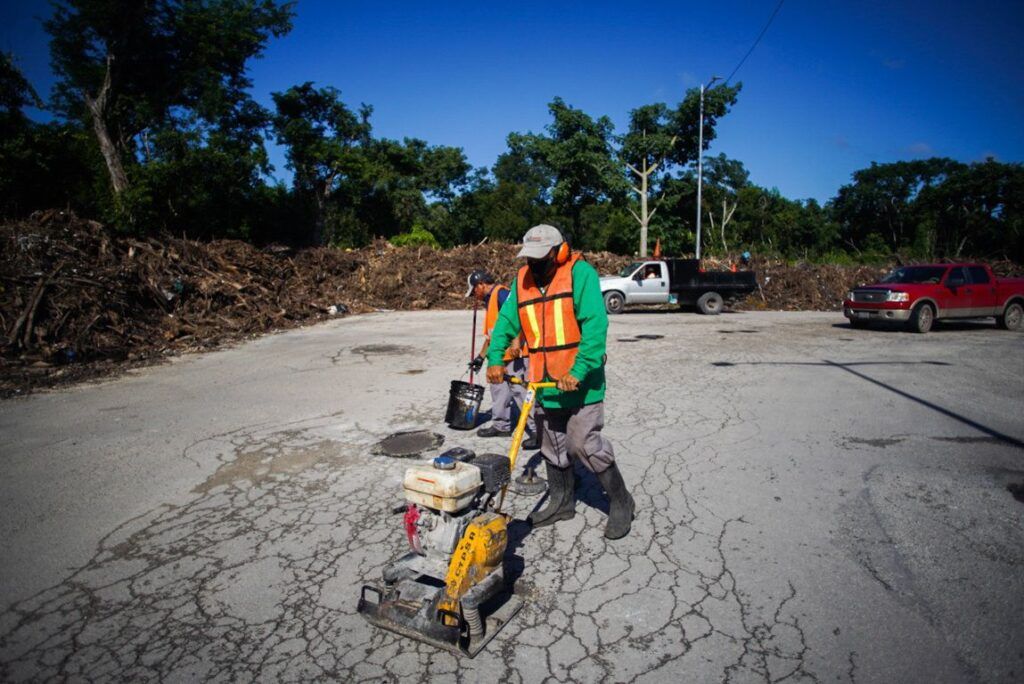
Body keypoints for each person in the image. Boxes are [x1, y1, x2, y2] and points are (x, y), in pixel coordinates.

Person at [485, 224, 635, 540]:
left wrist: (578, 371)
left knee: (583, 444)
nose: (534, 265)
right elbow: (505, 322)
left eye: (541, 258)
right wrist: (496, 359)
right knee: (552, 446)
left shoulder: (581, 275)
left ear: (560, 251)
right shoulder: (522, 281)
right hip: (543, 383)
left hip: (581, 383)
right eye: (529, 258)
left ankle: (622, 501)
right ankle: (561, 502)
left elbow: (595, 327)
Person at [467, 270, 539, 449]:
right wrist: (481, 358)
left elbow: (519, 318)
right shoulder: (490, 301)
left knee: (521, 392)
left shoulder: (502, 294)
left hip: (514, 355)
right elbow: (491, 336)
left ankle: (538, 431)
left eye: (473, 291)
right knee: (498, 391)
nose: (474, 296)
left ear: (481, 284)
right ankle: (501, 426)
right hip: (498, 357)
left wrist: (516, 343)